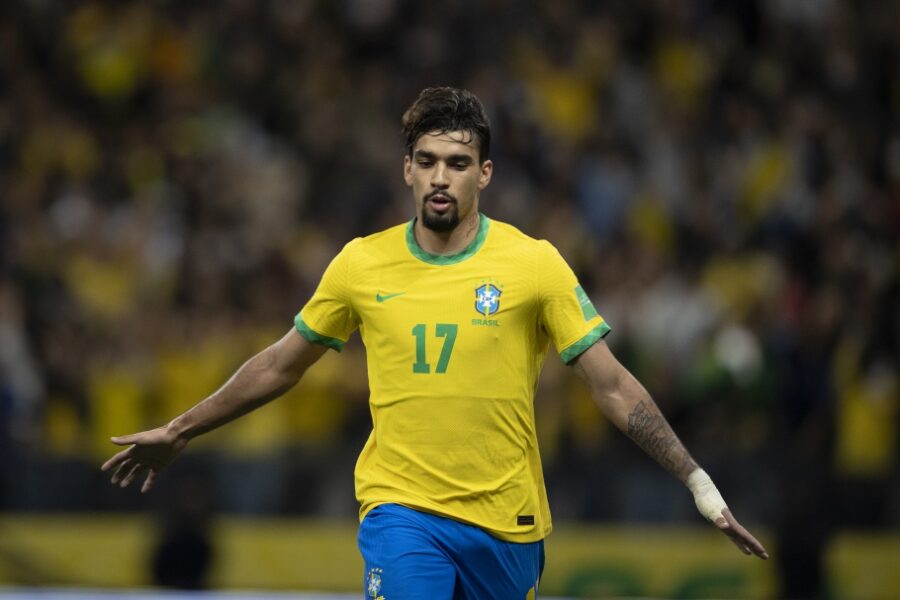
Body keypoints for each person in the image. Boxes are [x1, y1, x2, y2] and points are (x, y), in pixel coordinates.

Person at [102, 86, 768, 599]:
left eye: (457, 162)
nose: (440, 176)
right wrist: (182, 429)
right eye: (427, 161)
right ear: (407, 171)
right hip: (403, 509)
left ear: (484, 174)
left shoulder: (533, 264)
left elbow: (611, 384)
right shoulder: (360, 265)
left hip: (509, 526)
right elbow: (281, 365)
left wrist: (698, 482)